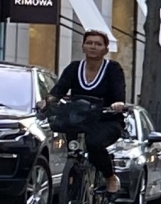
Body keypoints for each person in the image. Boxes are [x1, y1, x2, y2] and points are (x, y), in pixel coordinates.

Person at [49, 29, 130, 193]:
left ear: (106, 49)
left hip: (106, 121)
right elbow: (58, 91)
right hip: (78, 120)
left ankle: (110, 177)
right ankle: (72, 186)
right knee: (72, 148)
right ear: (83, 47)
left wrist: (118, 104)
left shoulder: (113, 69)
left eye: (98, 44)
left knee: (94, 144)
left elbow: (118, 93)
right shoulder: (74, 68)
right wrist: (47, 101)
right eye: (89, 43)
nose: (93, 46)